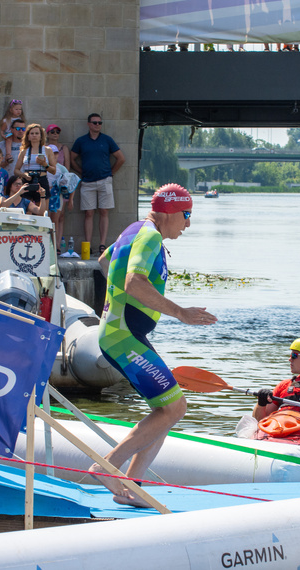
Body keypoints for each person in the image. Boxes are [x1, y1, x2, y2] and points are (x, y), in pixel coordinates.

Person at [91, 184, 217, 507]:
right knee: (174, 407)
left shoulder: (133, 231)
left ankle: (130, 486)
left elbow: (106, 261)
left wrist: (112, 304)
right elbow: (134, 282)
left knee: (169, 408)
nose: (187, 224)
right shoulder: (150, 236)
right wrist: (180, 313)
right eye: (186, 215)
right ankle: (108, 467)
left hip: (121, 332)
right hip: (124, 336)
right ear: (168, 212)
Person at [70, 113, 125, 254]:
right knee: (88, 213)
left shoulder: (107, 140)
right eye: (95, 123)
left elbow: (120, 158)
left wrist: (111, 173)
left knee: (104, 211)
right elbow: (72, 158)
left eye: (100, 123)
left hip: (104, 180)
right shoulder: (81, 141)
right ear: (89, 124)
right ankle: (87, 245)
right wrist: (80, 171)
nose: (97, 125)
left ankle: (102, 244)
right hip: (87, 182)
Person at [13, 123, 56, 204]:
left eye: (37, 133)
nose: (34, 135)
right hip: (27, 180)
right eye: (32, 133)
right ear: (28, 136)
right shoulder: (24, 151)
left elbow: (54, 170)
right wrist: (24, 175)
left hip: (42, 179)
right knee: (27, 210)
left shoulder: (47, 150)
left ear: (41, 136)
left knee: (42, 211)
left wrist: (44, 164)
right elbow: (16, 170)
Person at [0, 99, 25, 164]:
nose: (18, 111)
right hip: (9, 134)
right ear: (11, 110)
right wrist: (3, 135)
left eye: (20, 109)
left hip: (18, 135)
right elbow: (2, 130)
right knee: (9, 139)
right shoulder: (6, 120)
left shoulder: (20, 119)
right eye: (16, 109)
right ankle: (8, 155)